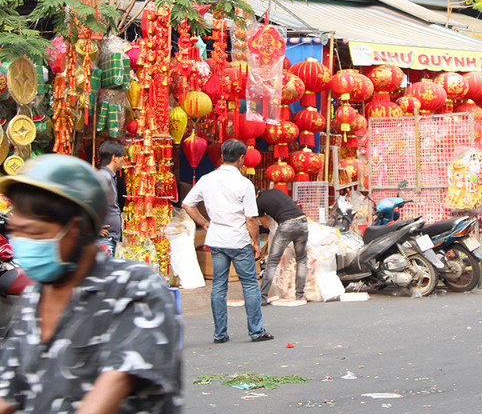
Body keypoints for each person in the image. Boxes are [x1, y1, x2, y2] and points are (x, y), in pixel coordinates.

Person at [0, 154, 182, 413]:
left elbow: (109, 392)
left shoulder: (134, 288)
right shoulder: (36, 298)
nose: (22, 242)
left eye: (34, 232)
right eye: (16, 232)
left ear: (74, 228)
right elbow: (8, 392)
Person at [182, 139, 273, 344]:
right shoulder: (244, 183)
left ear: (222, 156)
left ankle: (220, 333)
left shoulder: (207, 179)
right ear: (242, 158)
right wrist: (256, 243)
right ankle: (256, 330)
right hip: (238, 240)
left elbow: (187, 204)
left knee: (219, 286)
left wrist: (205, 223)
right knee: (249, 285)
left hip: (216, 238)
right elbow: (251, 218)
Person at [256, 188, 309, 306]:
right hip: (303, 221)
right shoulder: (275, 191)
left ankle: (262, 297)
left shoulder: (257, 202)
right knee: (301, 260)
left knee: (272, 261)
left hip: (286, 225)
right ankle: (300, 295)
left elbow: (266, 224)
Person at [96, 140, 126, 255]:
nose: (123, 159)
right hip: (104, 240)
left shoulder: (109, 176)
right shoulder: (103, 177)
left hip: (109, 238)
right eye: (122, 156)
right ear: (114, 158)